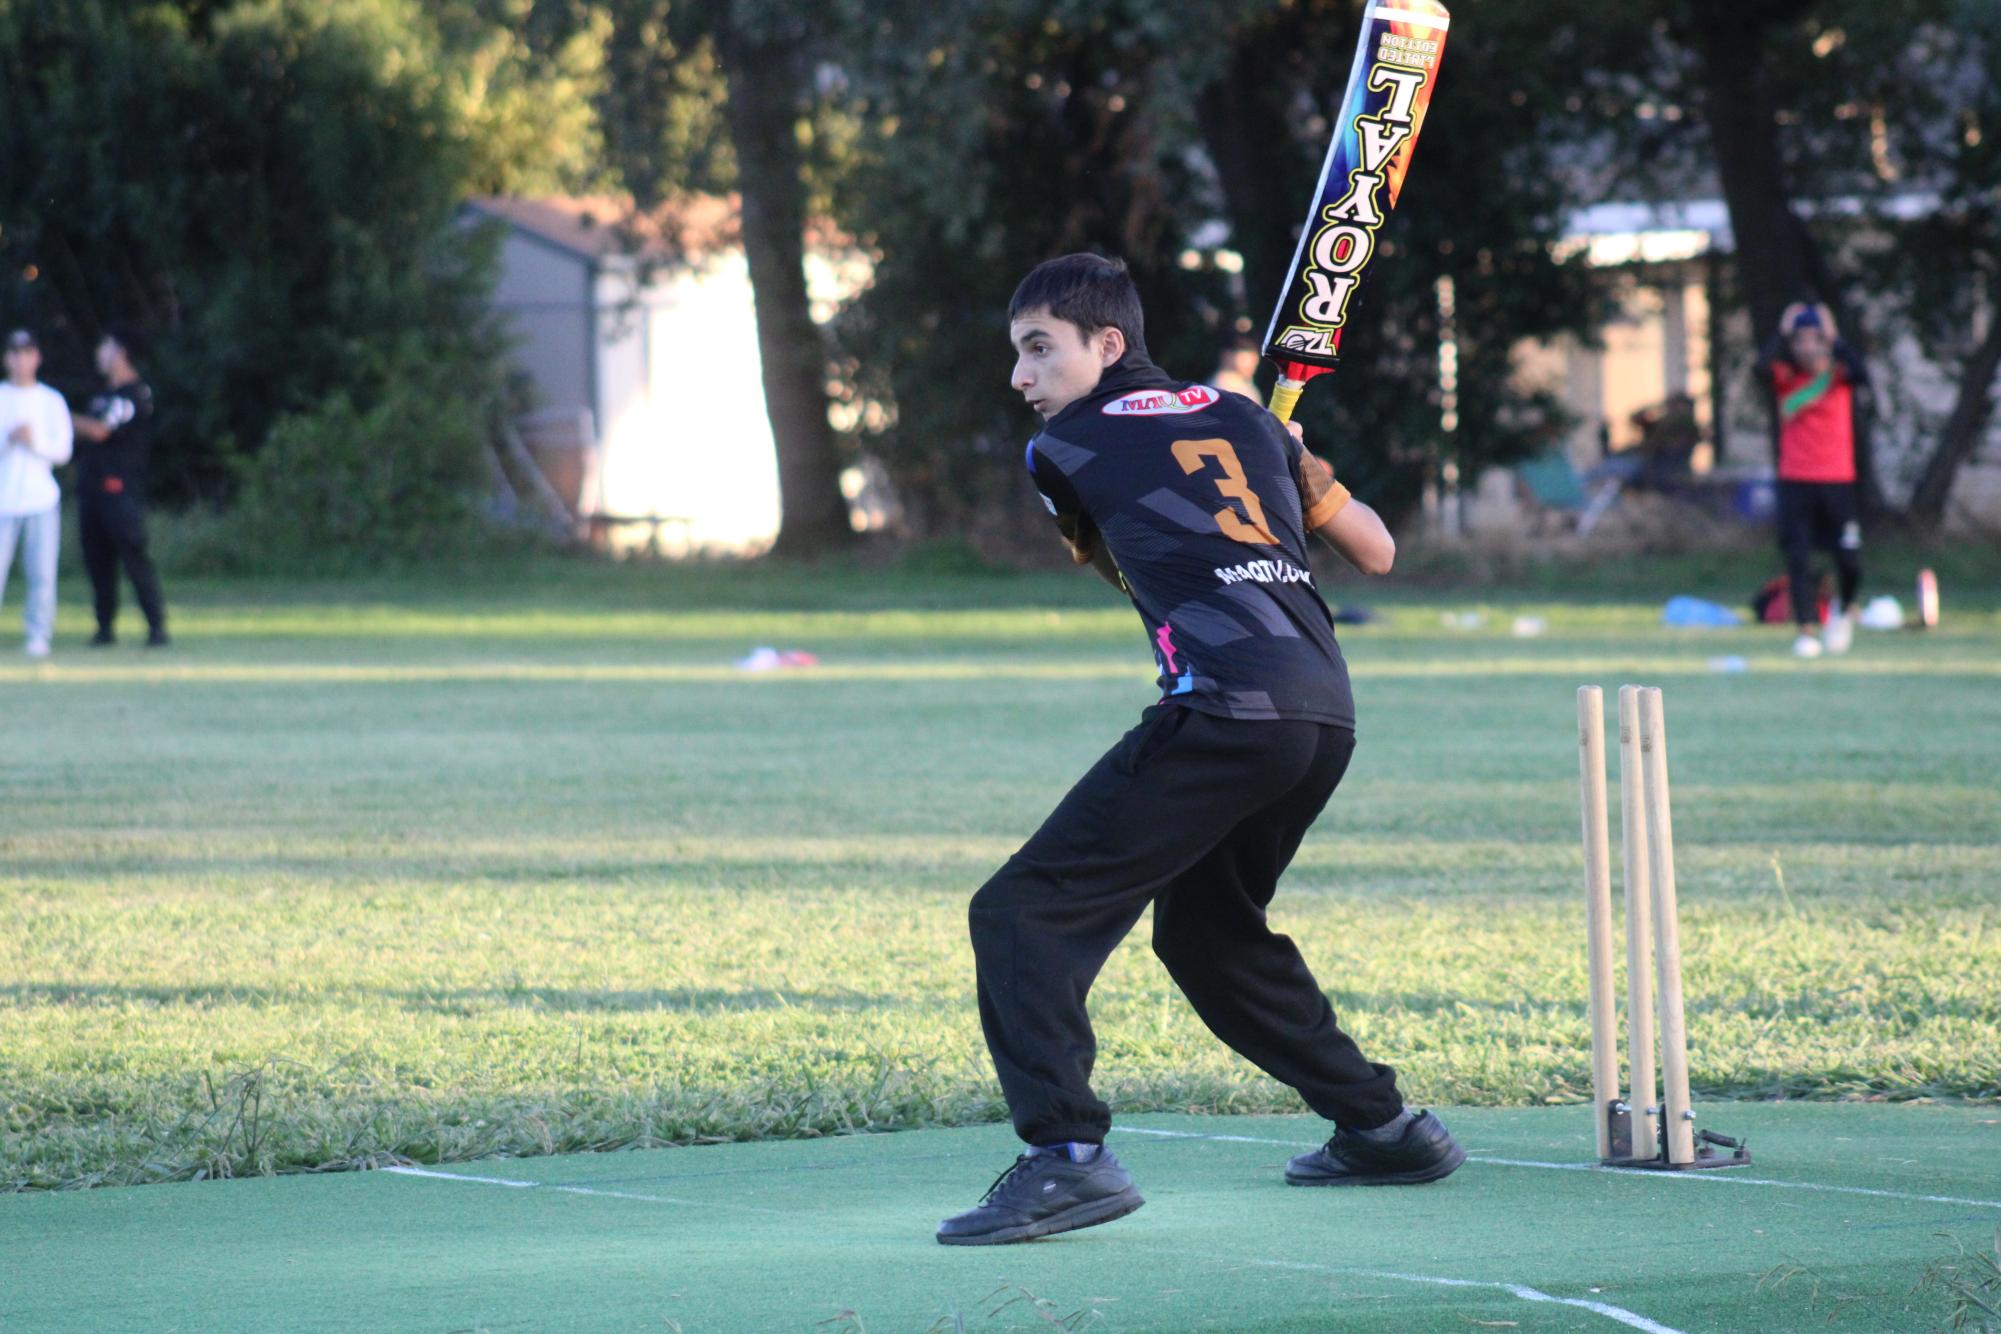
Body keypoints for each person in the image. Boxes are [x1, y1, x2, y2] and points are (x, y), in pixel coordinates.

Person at [937, 254, 1462, 1249]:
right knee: (1208, 932)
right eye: (1018, 354)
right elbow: (1379, 549)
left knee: (1022, 910)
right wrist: (1286, 459)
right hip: (1323, 715)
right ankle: (1383, 1125)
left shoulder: (1060, 449)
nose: (1021, 376)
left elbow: (1134, 569)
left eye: (1038, 348)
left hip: (1223, 710)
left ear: (1106, 343)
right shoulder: (1251, 418)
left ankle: (1068, 1158)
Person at [1756, 302, 1866, 659]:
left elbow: (1863, 372)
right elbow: (1759, 367)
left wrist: (1834, 336)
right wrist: (1782, 333)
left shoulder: (1840, 374)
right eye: (1799, 340)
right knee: (1798, 557)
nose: (1806, 347)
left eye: (1813, 339)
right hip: (1796, 480)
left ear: (1824, 341)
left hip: (1838, 480)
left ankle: (1844, 610)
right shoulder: (1785, 377)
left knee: (1849, 559)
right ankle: (1805, 629)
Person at [72, 323, 168, 647]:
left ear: (121, 352)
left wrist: (57, 415)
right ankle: (104, 628)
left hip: (119, 491)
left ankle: (156, 627)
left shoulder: (135, 394)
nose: (99, 353)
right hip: (91, 491)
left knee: (133, 557)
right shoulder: (101, 396)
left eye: (105, 346)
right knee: (97, 562)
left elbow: (101, 430)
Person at [0, 329, 74, 658]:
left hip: (41, 500)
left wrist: (34, 442)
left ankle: (38, 635)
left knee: (42, 573)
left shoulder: (51, 400)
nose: (21, 359)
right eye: (15, 352)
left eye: (27, 352)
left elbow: (63, 451)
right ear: (7, 358)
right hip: (3, 501)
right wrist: (8, 440)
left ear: (37, 357)